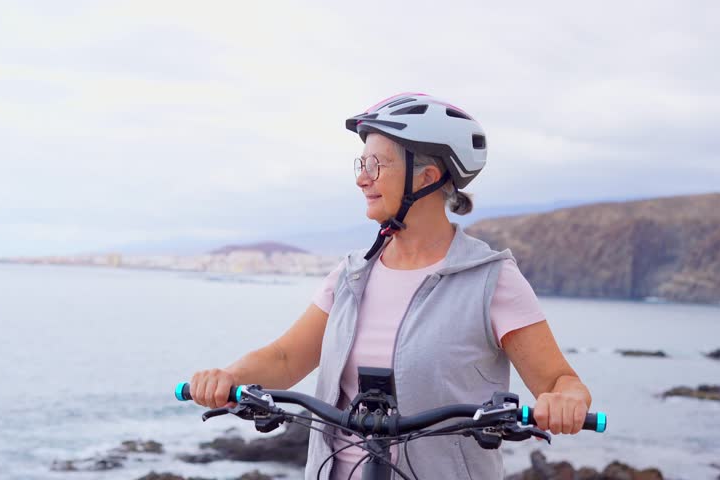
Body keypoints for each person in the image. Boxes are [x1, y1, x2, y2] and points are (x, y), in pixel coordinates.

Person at [189, 93, 592, 479]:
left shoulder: (490, 280)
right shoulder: (350, 277)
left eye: (376, 165)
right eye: (360, 164)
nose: (362, 179)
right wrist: (228, 377)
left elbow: (559, 380)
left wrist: (566, 401)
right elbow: (284, 359)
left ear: (428, 178)